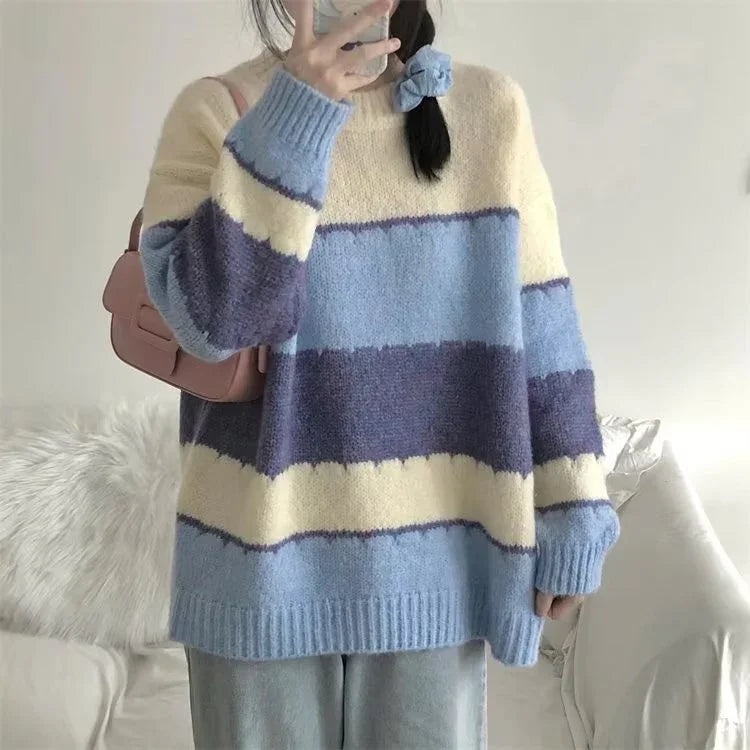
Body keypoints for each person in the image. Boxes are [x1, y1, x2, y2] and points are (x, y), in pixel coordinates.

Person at [139, 0, 620, 746]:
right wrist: (293, 121)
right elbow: (210, 326)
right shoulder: (216, 112)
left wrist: (574, 506)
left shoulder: (488, 111)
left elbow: (544, 321)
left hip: (436, 562)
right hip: (258, 567)